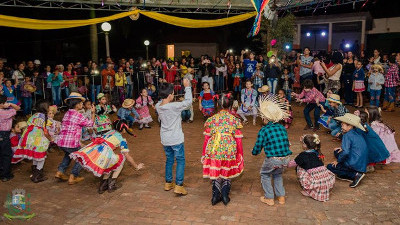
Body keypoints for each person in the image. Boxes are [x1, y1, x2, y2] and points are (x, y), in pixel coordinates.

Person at [70, 121, 144, 194]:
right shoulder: (122, 140)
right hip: (105, 153)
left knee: (110, 164)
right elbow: (127, 156)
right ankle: (111, 185)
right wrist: (136, 166)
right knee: (121, 159)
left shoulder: (110, 132)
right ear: (124, 129)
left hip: (98, 151)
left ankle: (103, 185)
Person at [202, 93, 244, 206]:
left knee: (216, 170)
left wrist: (204, 154)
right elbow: (238, 140)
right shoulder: (234, 120)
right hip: (228, 149)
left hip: (214, 149)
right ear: (230, 106)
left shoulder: (212, 119)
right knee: (226, 170)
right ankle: (225, 195)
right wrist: (240, 154)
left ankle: (215, 195)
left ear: (217, 105)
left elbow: (207, 138)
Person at [252, 94, 292, 206]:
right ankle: (281, 197)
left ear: (265, 118)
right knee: (278, 175)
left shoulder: (264, 130)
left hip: (273, 159)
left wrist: (254, 152)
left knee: (265, 174)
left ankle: (269, 198)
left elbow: (258, 146)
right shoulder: (282, 127)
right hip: (286, 158)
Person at [155, 78, 192, 196]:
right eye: (172, 93)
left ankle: (168, 182)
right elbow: (188, 102)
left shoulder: (157, 106)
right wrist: (187, 87)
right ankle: (179, 185)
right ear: (170, 95)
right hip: (176, 138)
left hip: (165, 139)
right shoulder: (174, 106)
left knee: (169, 160)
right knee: (180, 160)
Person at [54, 92, 95, 184]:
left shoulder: (67, 113)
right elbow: (90, 124)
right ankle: (73, 176)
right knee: (82, 156)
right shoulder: (78, 115)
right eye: (80, 103)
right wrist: (93, 113)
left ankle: (60, 172)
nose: (82, 104)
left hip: (61, 141)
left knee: (68, 155)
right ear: (76, 104)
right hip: (71, 142)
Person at [287, 134, 335, 202]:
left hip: (316, 182)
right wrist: (304, 140)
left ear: (305, 145)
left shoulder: (302, 155)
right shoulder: (317, 152)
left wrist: (283, 163)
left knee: (299, 167)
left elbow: (290, 164)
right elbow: (310, 141)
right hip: (325, 179)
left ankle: (309, 191)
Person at [13, 100, 52, 183]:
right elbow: (46, 131)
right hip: (38, 138)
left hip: (29, 137)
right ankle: (37, 176)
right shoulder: (44, 118)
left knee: (35, 154)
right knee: (41, 157)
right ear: (45, 108)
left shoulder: (34, 115)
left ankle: (35, 170)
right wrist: (50, 138)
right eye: (48, 107)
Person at [327, 113, 368, 188]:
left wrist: (338, 161)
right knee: (337, 152)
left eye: (343, 125)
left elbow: (346, 152)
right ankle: (350, 172)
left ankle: (355, 175)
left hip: (354, 162)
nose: (341, 126)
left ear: (350, 126)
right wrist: (342, 148)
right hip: (361, 162)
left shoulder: (347, 135)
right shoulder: (357, 131)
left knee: (330, 166)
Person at [0, 95, 20, 182]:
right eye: (5, 102)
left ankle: (1, 172)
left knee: (1, 153)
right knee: (7, 154)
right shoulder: (4, 113)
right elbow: (17, 108)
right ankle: (5, 175)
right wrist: (11, 104)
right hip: (4, 134)